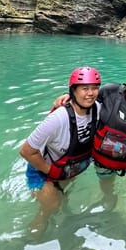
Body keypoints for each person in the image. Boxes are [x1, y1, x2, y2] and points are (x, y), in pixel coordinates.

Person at [53, 61, 126, 222]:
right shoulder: (110, 91)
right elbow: (87, 97)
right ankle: (109, 200)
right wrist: (68, 95)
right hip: (102, 156)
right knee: (107, 187)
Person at [19, 66, 101, 237]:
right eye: (84, 88)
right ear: (73, 91)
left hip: (67, 167)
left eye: (94, 88)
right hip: (43, 171)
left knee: (64, 198)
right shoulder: (58, 118)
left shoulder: (98, 109)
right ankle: (30, 237)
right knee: (51, 206)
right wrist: (52, 171)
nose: (90, 93)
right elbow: (26, 151)